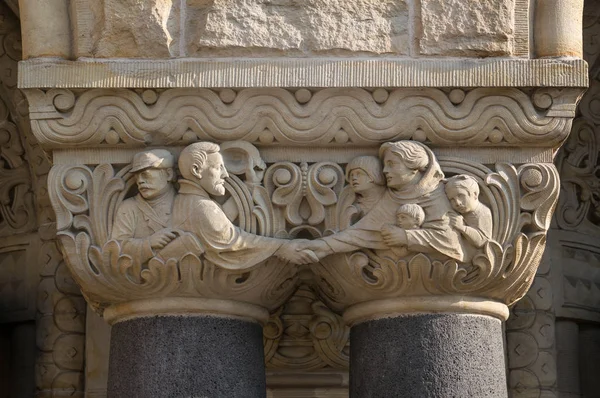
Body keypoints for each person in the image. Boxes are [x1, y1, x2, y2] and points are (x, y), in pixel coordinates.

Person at [302, 140, 465, 262]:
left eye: (391, 164)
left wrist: (406, 237)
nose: (385, 170)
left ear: (414, 166)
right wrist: (324, 246)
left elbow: (450, 241)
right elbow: (361, 233)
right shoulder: (393, 196)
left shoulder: (437, 195)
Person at [168, 142, 317, 268]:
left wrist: (251, 186)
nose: (225, 174)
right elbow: (234, 242)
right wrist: (281, 247)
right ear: (196, 170)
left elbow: (218, 224)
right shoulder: (202, 207)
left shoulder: (186, 200)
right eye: (218, 167)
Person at [111, 149, 179, 266]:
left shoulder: (185, 203)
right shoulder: (128, 208)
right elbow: (116, 248)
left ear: (168, 174)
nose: (140, 181)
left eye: (145, 174)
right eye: (137, 177)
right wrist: (148, 243)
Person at [445, 175, 492, 260]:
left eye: (461, 196)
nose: (457, 203)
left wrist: (462, 228)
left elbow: (482, 240)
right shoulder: (457, 212)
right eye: (452, 199)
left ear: (474, 194)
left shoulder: (483, 213)